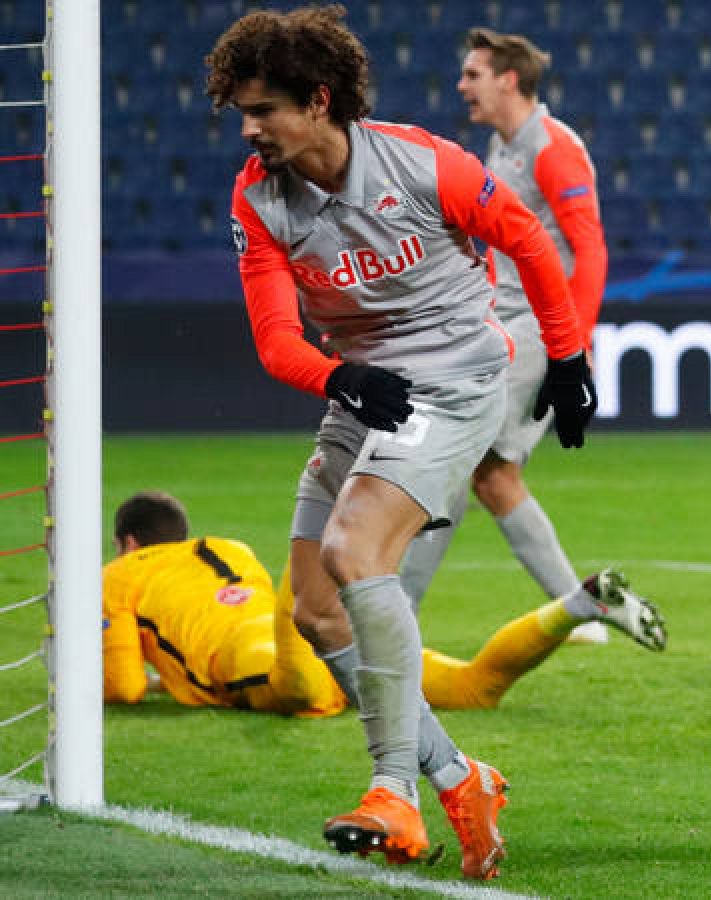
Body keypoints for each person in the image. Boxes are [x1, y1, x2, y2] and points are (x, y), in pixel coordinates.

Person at [206, 4, 596, 879]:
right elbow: (276, 341)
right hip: (366, 388)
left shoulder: (422, 162)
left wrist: (567, 358)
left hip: (456, 378)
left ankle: (395, 791)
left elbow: (529, 240)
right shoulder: (257, 197)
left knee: (353, 550)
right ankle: (462, 778)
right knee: (313, 609)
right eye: (240, 111)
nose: (249, 128)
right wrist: (340, 379)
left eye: (263, 109)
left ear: (317, 100)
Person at [395, 26, 625, 647]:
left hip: (532, 330)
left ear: (509, 79)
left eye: (473, 75)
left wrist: (570, 346)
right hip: (503, 325)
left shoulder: (551, 148)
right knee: (493, 476)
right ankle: (581, 611)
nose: (462, 86)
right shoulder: (503, 150)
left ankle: (399, 616)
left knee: (458, 457)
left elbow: (591, 248)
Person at [102, 492, 661, 717]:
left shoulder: (118, 575)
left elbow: (123, 686)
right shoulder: (225, 547)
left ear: (128, 542)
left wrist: (148, 680)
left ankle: (339, 515)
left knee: (299, 677)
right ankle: (576, 606)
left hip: (256, 662)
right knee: (474, 688)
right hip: (333, 638)